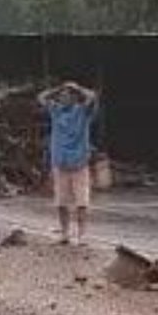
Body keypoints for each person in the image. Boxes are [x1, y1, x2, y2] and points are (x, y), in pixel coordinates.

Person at [38, 80, 99, 244]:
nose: (63, 97)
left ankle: (82, 235)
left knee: (82, 202)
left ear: (74, 97)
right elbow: (41, 97)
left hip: (79, 163)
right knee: (61, 202)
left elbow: (92, 97)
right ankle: (65, 234)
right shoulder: (56, 111)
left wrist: (77, 88)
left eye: (67, 95)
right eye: (61, 95)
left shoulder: (82, 111)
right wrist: (58, 88)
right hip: (60, 162)